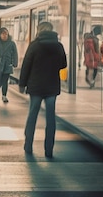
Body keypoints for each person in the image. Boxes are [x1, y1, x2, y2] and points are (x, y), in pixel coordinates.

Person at [19, 21, 67, 158]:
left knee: (32, 115)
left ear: (39, 30)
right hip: (52, 86)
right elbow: (63, 64)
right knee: (50, 117)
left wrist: (22, 84)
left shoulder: (34, 45)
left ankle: (28, 145)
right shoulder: (58, 46)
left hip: (36, 86)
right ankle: (49, 149)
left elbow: (26, 65)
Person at [0, 27, 18, 103]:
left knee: (5, 81)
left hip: (7, 64)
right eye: (3, 34)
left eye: (6, 34)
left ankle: (4, 96)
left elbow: (15, 54)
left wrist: (14, 63)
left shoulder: (11, 43)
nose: (4, 35)